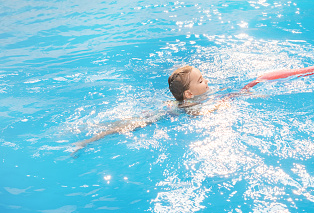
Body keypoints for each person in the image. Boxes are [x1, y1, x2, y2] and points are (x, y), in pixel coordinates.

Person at [71, 65, 212, 155]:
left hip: (157, 110)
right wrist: (219, 105)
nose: (205, 81)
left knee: (122, 123)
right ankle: (86, 141)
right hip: (154, 118)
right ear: (188, 94)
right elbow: (197, 114)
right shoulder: (188, 105)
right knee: (120, 128)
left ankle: (85, 128)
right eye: (200, 80)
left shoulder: (184, 101)